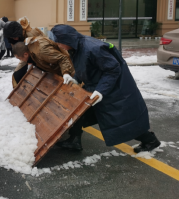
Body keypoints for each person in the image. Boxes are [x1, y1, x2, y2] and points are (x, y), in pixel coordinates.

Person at [51, 24, 160, 153]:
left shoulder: (93, 48)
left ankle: (150, 140)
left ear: (67, 40)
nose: (58, 46)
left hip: (114, 90)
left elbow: (113, 69)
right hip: (97, 87)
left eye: (59, 43)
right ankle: (74, 140)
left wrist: (100, 91)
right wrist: (75, 78)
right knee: (79, 111)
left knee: (122, 121)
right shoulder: (77, 47)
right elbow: (86, 67)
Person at [4, 21, 68, 87]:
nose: (13, 39)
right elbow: (18, 51)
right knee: (17, 75)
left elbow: (41, 49)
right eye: (11, 38)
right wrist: (27, 61)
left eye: (14, 37)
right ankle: (20, 91)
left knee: (45, 73)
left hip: (40, 55)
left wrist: (32, 63)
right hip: (26, 56)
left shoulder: (31, 34)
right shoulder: (13, 38)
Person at [11, 36, 75, 84]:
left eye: (19, 58)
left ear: (25, 54)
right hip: (58, 69)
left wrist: (66, 73)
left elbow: (63, 58)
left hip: (69, 70)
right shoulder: (29, 46)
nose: (21, 60)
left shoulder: (42, 51)